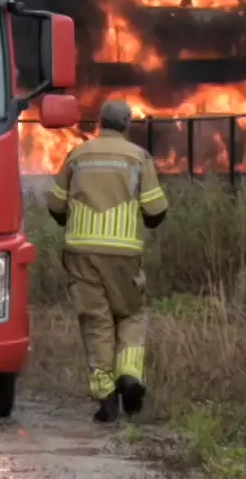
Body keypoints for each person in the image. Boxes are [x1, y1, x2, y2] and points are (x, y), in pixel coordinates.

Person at [46, 98, 168, 423]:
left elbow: (55, 205)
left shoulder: (77, 154)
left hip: (81, 253)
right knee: (131, 314)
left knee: (95, 321)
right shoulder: (138, 158)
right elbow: (156, 210)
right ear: (128, 124)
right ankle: (129, 375)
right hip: (123, 254)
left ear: (99, 122)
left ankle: (106, 396)